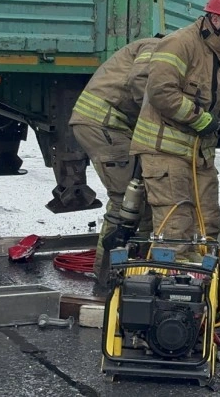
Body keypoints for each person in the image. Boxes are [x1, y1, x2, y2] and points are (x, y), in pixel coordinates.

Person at [129, 0, 220, 261]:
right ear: (216, 19)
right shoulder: (178, 43)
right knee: (176, 227)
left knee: (207, 223)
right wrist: (199, 118)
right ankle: (172, 289)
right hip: (166, 151)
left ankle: (203, 282)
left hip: (199, 155)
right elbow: (161, 92)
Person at [69, 36, 161, 283]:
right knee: (126, 206)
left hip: (108, 125)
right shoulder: (156, 47)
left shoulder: (153, 46)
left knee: (135, 202)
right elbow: (140, 81)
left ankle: (125, 275)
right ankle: (106, 279)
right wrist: (157, 115)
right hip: (105, 126)